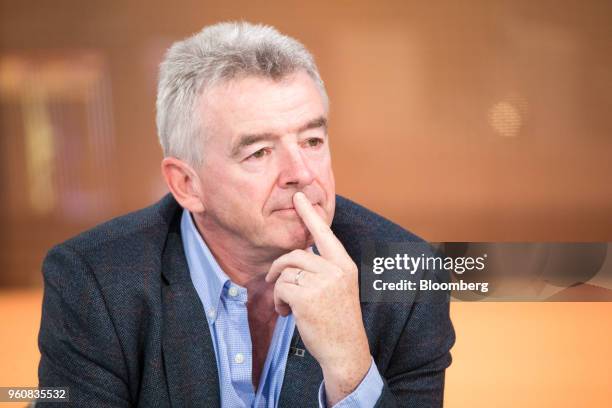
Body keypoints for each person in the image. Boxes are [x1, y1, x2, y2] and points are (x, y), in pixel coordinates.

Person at [37, 21, 455, 407]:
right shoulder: (95, 280)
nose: (302, 174)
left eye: (312, 140)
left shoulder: (409, 278)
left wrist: (350, 368)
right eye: (259, 152)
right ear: (187, 184)